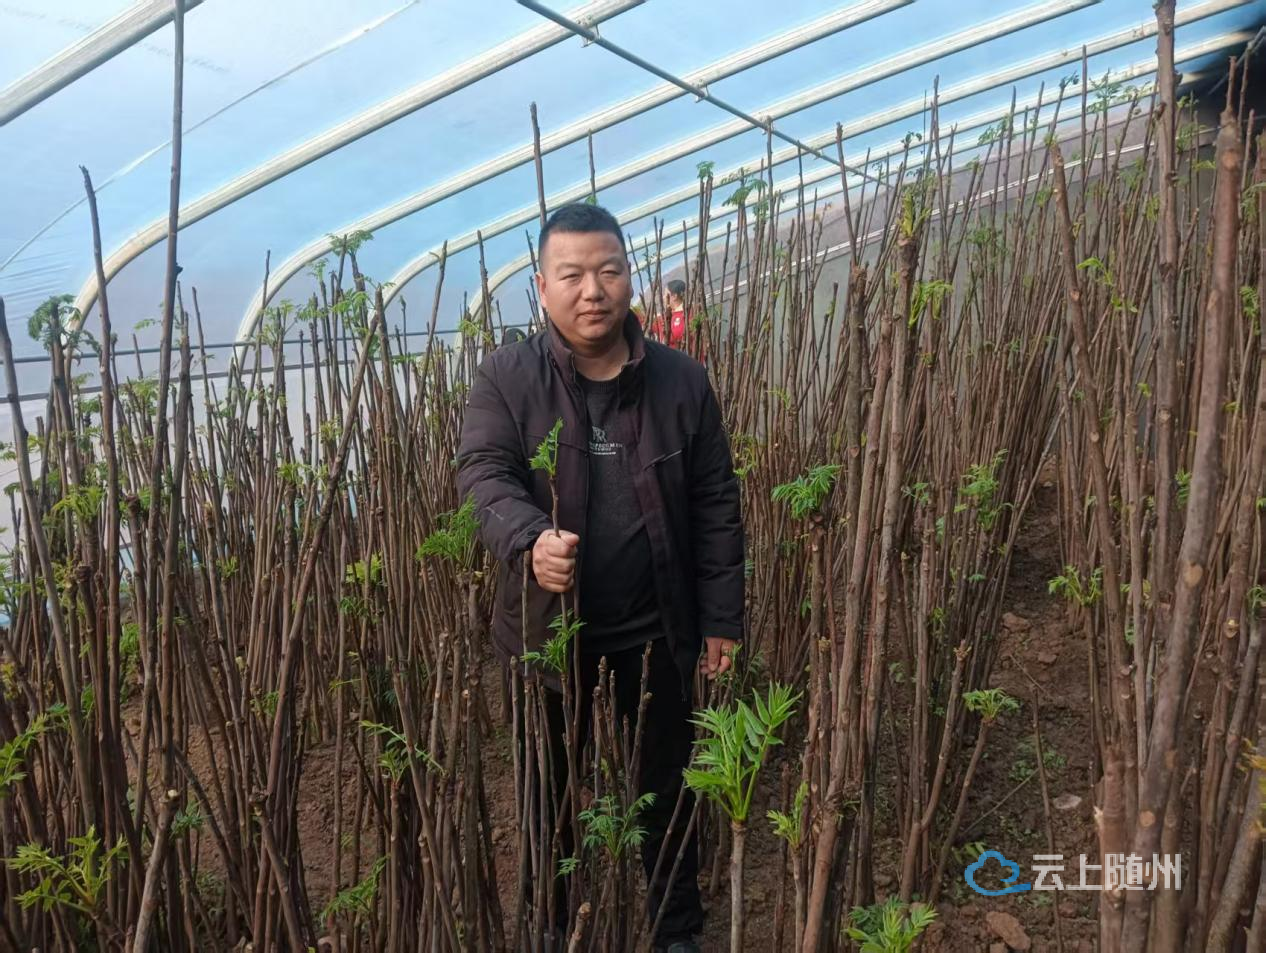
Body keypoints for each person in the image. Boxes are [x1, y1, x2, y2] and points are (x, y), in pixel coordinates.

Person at [456, 202, 745, 953]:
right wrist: (529, 537)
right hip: (549, 635)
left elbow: (716, 502)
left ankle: (675, 928)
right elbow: (482, 472)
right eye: (573, 275)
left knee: (666, 788)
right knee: (547, 792)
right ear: (542, 287)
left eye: (609, 271)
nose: (593, 290)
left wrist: (721, 617)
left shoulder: (681, 381)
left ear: (630, 278)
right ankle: (554, 925)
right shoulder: (507, 378)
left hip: (658, 633)